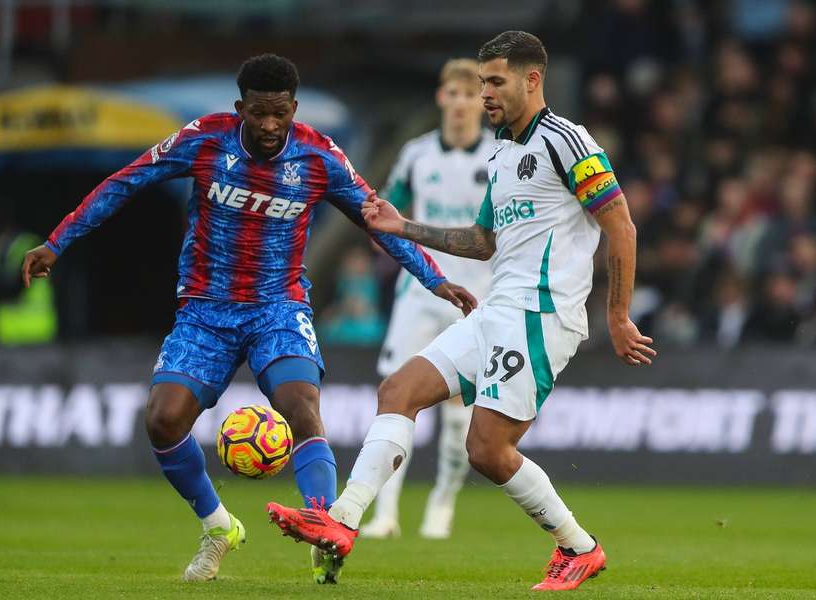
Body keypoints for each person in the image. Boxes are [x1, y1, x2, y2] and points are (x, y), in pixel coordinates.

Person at [21, 54, 475, 585]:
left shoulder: (318, 156)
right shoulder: (205, 140)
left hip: (277, 307)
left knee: (302, 404)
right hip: (205, 312)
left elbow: (377, 219)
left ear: (293, 109)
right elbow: (126, 182)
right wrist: (58, 241)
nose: (267, 125)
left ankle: (325, 529)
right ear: (241, 108)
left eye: (278, 113)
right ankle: (218, 528)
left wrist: (434, 279)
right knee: (163, 421)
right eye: (257, 113)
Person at [266, 31, 656, 592]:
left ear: (532, 79)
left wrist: (618, 315)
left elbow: (620, 224)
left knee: (488, 450)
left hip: (541, 315)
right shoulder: (501, 152)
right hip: (499, 307)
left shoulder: (568, 141)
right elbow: (482, 240)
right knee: (398, 390)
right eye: (481, 82)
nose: (485, 94)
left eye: (495, 82)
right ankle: (342, 521)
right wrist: (404, 226)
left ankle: (580, 548)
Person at [360, 58, 494, 540]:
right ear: (441, 98)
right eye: (452, 94)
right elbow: (381, 212)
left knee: (459, 413)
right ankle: (386, 513)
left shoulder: (500, 156)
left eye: (469, 95)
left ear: (482, 102)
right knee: (397, 396)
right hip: (420, 293)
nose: (460, 104)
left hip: (478, 297)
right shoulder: (417, 154)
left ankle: (442, 503)